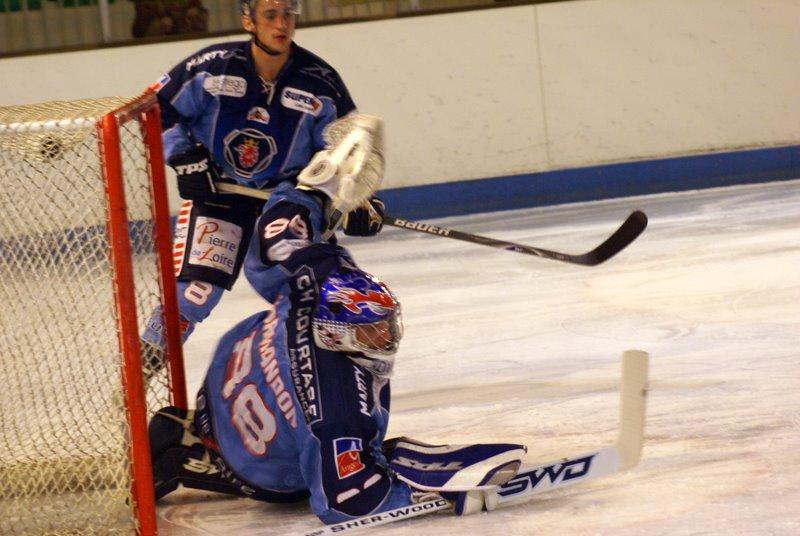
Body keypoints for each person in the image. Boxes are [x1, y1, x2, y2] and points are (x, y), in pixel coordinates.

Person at [148, 233, 527, 524]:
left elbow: (279, 244)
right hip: (253, 465)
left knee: (325, 435)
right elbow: (341, 502)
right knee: (352, 458)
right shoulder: (340, 410)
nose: (386, 338)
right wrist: (430, 499)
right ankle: (194, 460)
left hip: (220, 381)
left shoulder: (311, 284)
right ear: (335, 334)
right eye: (370, 332)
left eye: (385, 325)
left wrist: (330, 202)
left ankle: (194, 440)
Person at [142, 0, 384, 354]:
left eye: (288, 14)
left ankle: (330, 367)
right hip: (218, 193)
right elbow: (157, 104)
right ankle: (145, 367)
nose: (282, 24)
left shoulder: (320, 80)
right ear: (248, 21)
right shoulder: (212, 67)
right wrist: (184, 158)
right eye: (270, 15)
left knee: (304, 278)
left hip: (290, 196)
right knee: (194, 294)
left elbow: (346, 151)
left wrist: (360, 200)